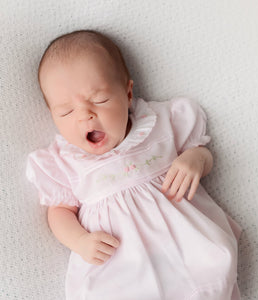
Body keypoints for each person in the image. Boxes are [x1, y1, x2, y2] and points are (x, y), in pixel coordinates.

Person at [26, 29, 241, 299]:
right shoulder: (64, 162)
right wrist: (79, 241)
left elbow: (201, 154)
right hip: (122, 263)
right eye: (66, 111)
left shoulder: (160, 122)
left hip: (188, 246)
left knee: (211, 270)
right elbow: (59, 212)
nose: (85, 115)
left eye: (100, 99)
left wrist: (195, 159)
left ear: (128, 94)